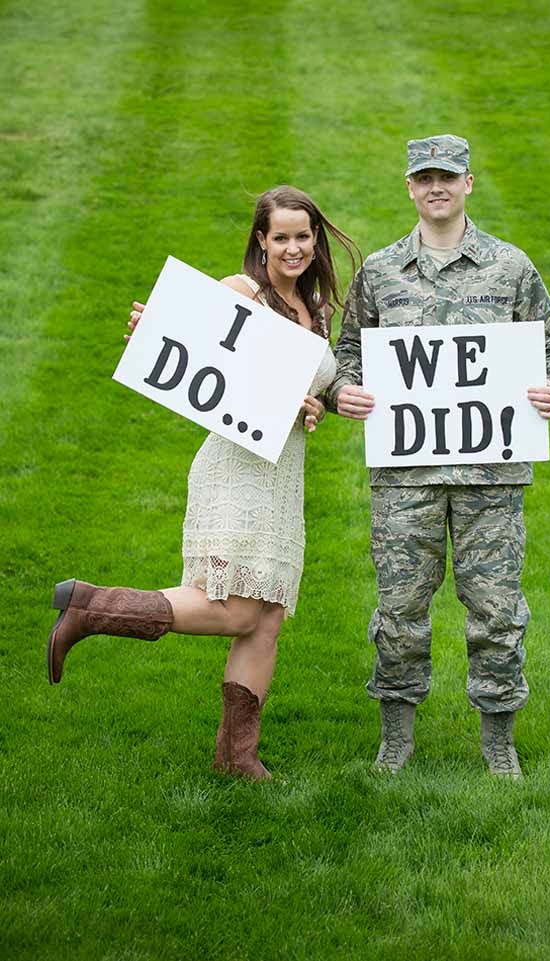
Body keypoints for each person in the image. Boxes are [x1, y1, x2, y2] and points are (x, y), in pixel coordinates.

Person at [47, 185, 360, 782]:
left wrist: (314, 406)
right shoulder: (243, 292)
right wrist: (151, 327)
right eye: (281, 237)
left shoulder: (317, 310)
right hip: (236, 469)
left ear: (315, 239)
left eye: (303, 236)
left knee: (267, 617)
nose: (293, 248)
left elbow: (308, 389)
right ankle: (92, 608)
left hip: (283, 476)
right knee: (234, 609)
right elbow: (189, 346)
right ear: (261, 240)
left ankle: (237, 757)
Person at [325, 135, 550, 778]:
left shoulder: (510, 266)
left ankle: (499, 739)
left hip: (490, 477)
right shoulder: (381, 271)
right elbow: (347, 352)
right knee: (399, 611)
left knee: (497, 611)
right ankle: (396, 737)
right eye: (424, 178)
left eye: (447, 176)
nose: (435, 187)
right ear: (410, 187)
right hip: (405, 477)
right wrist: (340, 391)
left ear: (468, 182)